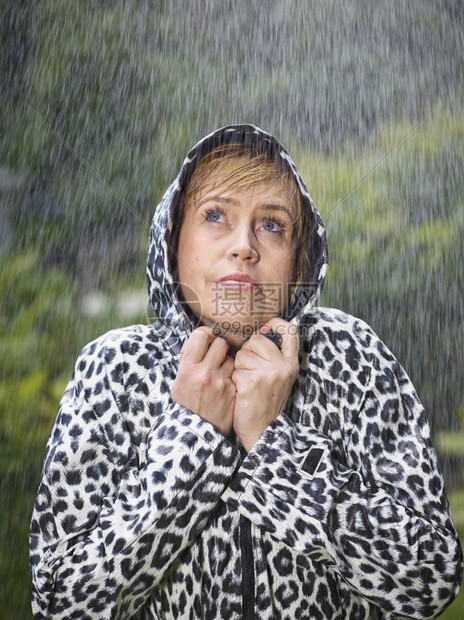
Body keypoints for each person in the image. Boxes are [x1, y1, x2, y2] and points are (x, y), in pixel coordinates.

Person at [30, 124, 462, 619]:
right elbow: (62, 603)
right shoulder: (113, 370)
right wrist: (190, 442)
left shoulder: (354, 357)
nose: (244, 246)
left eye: (272, 225)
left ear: (300, 260)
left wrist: (275, 446)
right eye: (215, 216)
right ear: (172, 242)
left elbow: (429, 581)